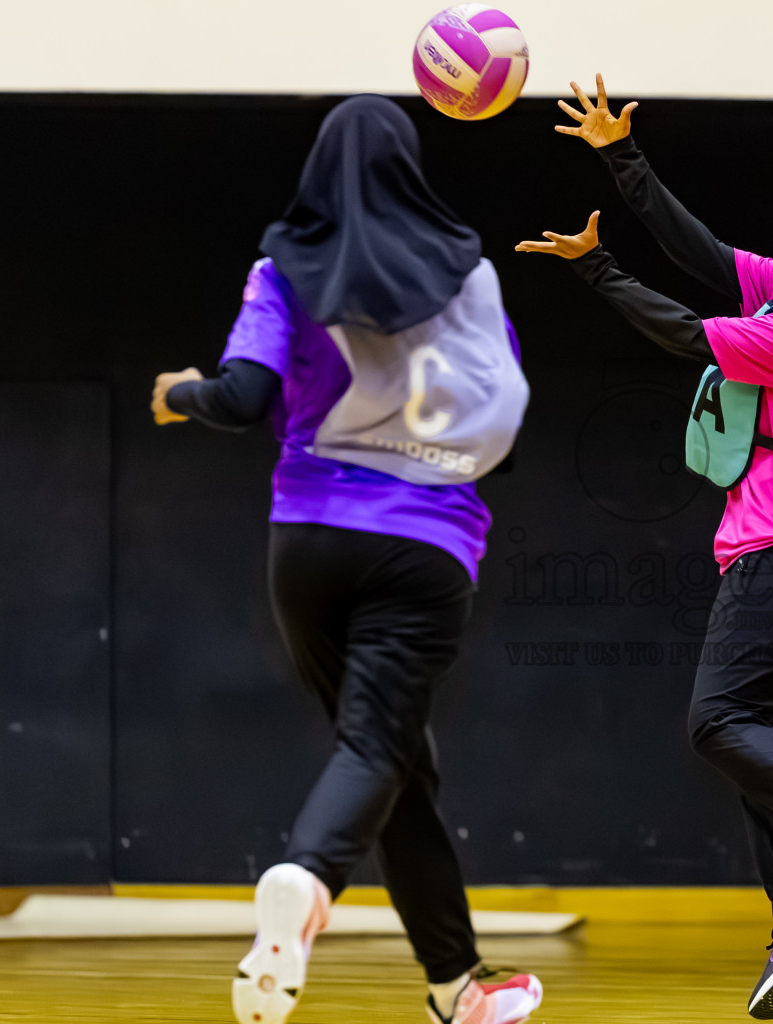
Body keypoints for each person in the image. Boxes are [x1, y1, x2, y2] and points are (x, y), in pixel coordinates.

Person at [517, 75, 773, 1020]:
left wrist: (596, 272)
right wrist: (622, 158)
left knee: (716, 725)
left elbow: (685, 332)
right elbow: (698, 252)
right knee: (753, 741)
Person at [150, 95, 540, 1024]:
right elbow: (507, 436)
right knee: (379, 747)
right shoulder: (470, 277)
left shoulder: (284, 265)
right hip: (426, 546)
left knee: (394, 761)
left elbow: (245, 397)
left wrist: (182, 395)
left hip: (309, 546)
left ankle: (457, 988)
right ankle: (306, 880)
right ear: (412, 168)